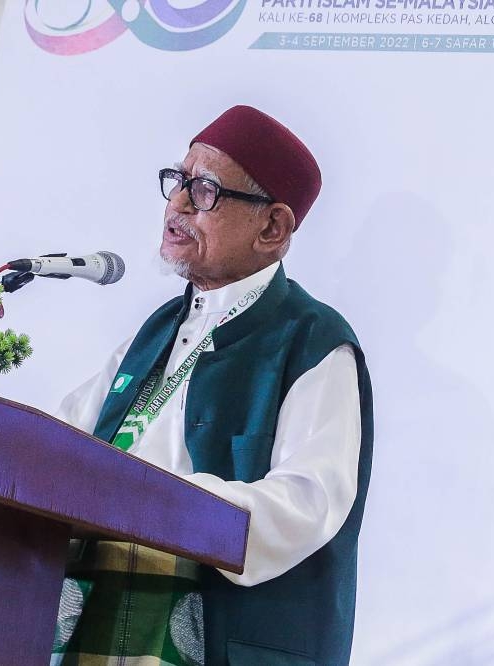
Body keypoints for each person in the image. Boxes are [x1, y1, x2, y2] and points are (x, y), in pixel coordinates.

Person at [51, 105, 374, 666]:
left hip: (211, 628)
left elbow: (309, 501)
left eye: (204, 191)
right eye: (177, 181)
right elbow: (62, 444)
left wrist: (163, 504)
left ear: (272, 228)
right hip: (95, 602)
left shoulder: (313, 340)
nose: (176, 204)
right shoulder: (158, 328)